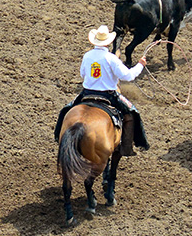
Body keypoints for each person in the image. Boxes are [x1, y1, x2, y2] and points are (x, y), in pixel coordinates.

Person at [54, 24, 148, 158]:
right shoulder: (111, 58)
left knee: (66, 110)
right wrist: (140, 65)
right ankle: (126, 148)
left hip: (86, 93)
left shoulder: (87, 56)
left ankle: (59, 136)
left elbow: (83, 74)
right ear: (108, 42)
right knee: (132, 113)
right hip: (109, 96)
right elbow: (128, 76)